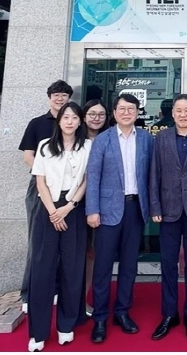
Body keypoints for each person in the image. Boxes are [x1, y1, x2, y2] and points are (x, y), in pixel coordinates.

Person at [85, 93, 154, 344]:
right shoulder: (103, 140)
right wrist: (92, 210)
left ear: (137, 112)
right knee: (103, 266)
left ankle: (122, 312)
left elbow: (152, 174)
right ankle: (100, 317)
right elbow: (93, 176)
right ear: (114, 113)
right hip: (106, 211)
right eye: (122, 109)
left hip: (135, 209)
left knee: (129, 265)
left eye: (131, 109)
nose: (127, 113)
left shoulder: (146, 139)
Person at [27, 102, 91, 352]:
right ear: (59, 120)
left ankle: (66, 325)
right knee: (41, 270)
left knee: (72, 269)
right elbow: (40, 182)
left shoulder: (87, 146)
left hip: (73, 209)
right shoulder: (45, 146)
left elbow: (86, 180)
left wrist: (69, 206)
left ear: (80, 121)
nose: (70, 122)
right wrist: (54, 211)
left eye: (74, 118)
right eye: (66, 117)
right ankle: (38, 332)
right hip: (47, 209)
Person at [149, 94, 187, 341]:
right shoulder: (161, 138)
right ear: (172, 113)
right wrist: (155, 207)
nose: (183, 114)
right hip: (168, 210)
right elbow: (154, 173)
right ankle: (169, 314)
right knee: (168, 264)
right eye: (179, 110)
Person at [18, 79, 73, 312]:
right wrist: (46, 175)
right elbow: (28, 156)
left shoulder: (73, 123)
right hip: (40, 186)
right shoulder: (37, 123)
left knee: (64, 243)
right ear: (49, 97)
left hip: (68, 189)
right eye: (56, 95)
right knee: (38, 242)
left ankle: (57, 290)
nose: (60, 99)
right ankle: (28, 295)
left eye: (64, 95)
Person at [82, 99, 109, 317]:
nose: (96, 118)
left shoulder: (109, 138)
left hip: (99, 203)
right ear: (84, 116)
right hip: (72, 202)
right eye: (92, 114)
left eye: (101, 114)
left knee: (91, 253)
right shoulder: (74, 138)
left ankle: (83, 299)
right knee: (74, 253)